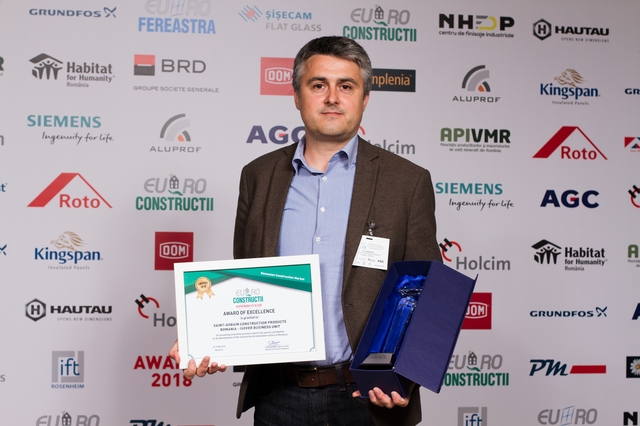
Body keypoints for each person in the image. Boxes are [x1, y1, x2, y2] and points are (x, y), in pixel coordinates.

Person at [170, 35, 441, 426]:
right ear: (297, 96)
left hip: (367, 398)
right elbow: (244, 281)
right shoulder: (258, 176)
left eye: (346, 86)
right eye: (318, 85)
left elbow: (429, 291)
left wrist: (405, 378)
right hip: (279, 397)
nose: (332, 98)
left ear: (365, 98)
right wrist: (204, 336)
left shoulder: (407, 182)